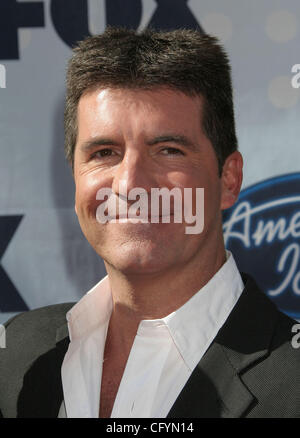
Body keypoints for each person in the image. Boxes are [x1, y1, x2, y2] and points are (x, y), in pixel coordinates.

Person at [0, 27, 299, 419]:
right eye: (104, 152)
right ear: (74, 176)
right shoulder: (18, 354)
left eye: (168, 150)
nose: (130, 185)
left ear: (229, 179)